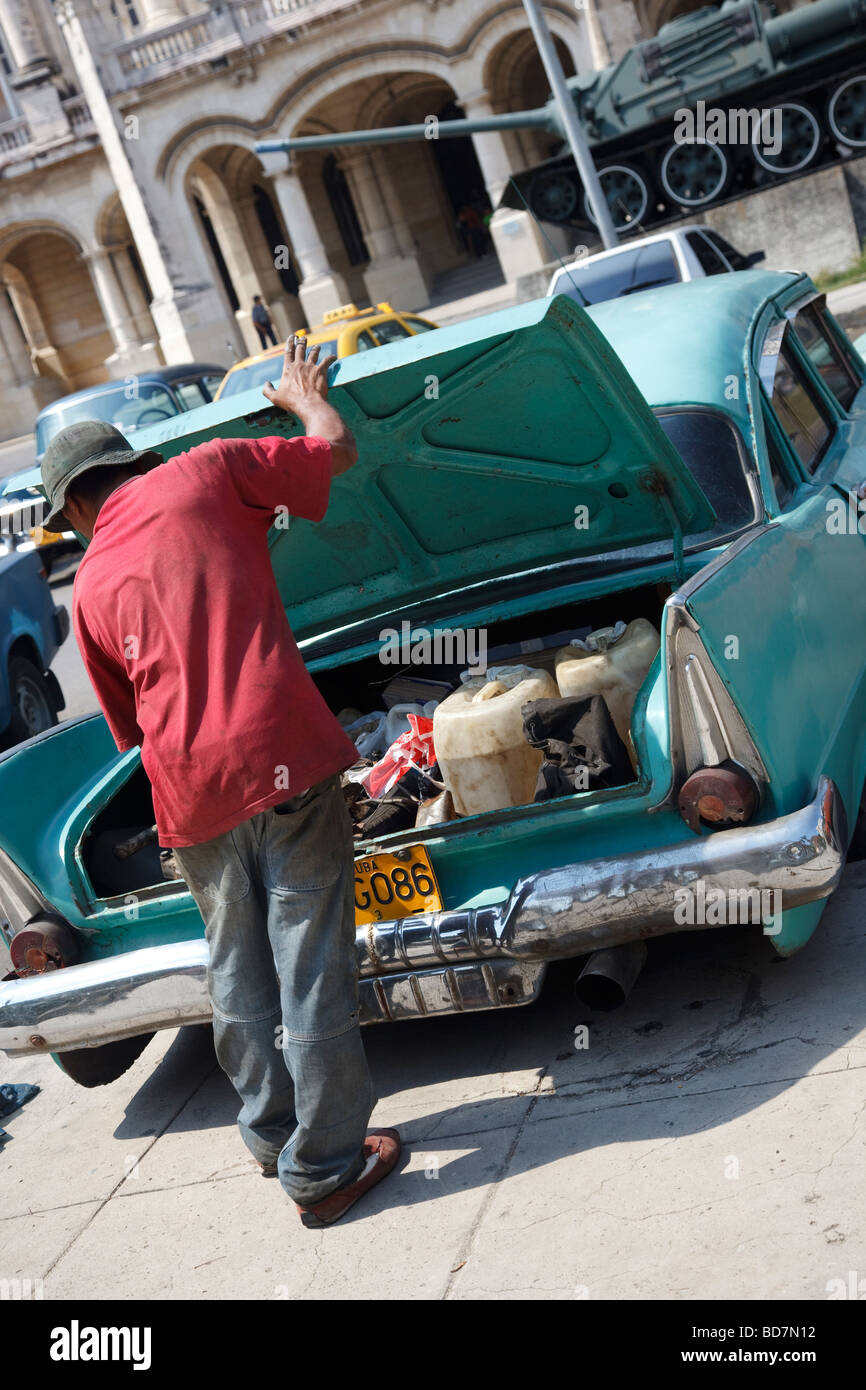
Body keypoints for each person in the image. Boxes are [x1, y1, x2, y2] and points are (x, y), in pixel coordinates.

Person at [39, 336, 401, 1228]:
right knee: (309, 959)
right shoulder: (209, 470)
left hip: (188, 793)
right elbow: (337, 454)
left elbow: (131, 724)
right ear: (129, 464)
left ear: (75, 509)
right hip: (277, 752)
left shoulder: (86, 587)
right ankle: (326, 1169)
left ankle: (273, 1139)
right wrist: (306, 399)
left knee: (236, 969)